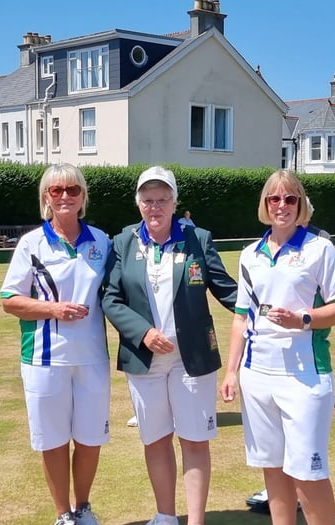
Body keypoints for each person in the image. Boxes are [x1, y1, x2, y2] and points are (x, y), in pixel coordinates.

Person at [102, 165, 237, 525]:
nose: (155, 207)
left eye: (162, 199)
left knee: (194, 440)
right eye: (148, 200)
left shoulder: (198, 239)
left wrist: (266, 308)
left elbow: (227, 290)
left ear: (175, 203)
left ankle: (195, 520)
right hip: (145, 357)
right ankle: (165, 515)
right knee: (156, 440)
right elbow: (111, 298)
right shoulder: (123, 242)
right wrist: (143, 331)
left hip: (190, 357)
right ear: (138, 204)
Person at [220, 170, 335, 525]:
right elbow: (240, 318)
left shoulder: (318, 248)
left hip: (305, 376)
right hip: (257, 374)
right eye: (274, 199)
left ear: (301, 204)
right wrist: (231, 371)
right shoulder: (250, 254)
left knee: (308, 475)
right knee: (273, 471)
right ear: (265, 205)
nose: (282, 205)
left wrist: (303, 319)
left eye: (290, 199)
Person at [0, 163, 111, 525]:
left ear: (83, 197)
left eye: (73, 190)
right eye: (56, 191)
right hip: (44, 360)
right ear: (46, 197)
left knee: (91, 438)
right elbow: (10, 300)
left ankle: (84, 507)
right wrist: (53, 309)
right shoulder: (31, 243)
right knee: (53, 440)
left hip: (92, 358)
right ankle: (63, 513)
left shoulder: (103, 241)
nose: (65, 197)